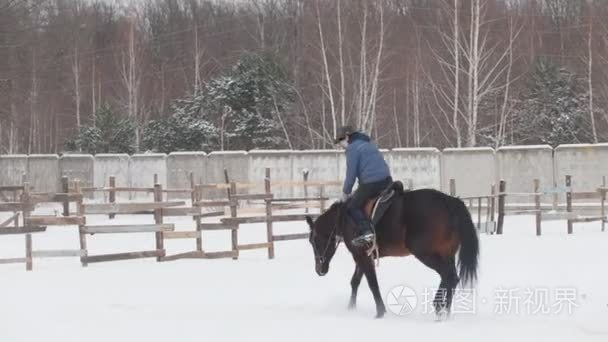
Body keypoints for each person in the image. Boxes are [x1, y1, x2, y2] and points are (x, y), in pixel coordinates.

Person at [335, 125, 392, 248]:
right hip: (387, 179)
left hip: (371, 183)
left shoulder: (352, 149)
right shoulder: (369, 142)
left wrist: (346, 192)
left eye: (341, 140)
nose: (341, 144)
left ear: (347, 136)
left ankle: (367, 232)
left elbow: (351, 175)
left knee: (353, 206)